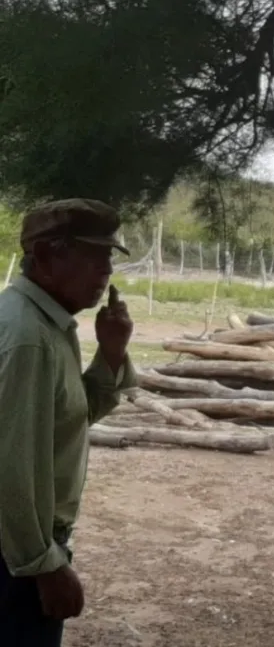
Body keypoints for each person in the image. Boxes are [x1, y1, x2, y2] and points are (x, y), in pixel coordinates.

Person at [0, 198, 136, 646]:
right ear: (43, 256)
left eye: (109, 256)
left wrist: (111, 353)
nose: (106, 271)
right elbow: (9, 469)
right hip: (13, 555)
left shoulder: (47, 325)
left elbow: (67, 419)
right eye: (93, 255)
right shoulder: (28, 338)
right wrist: (45, 566)